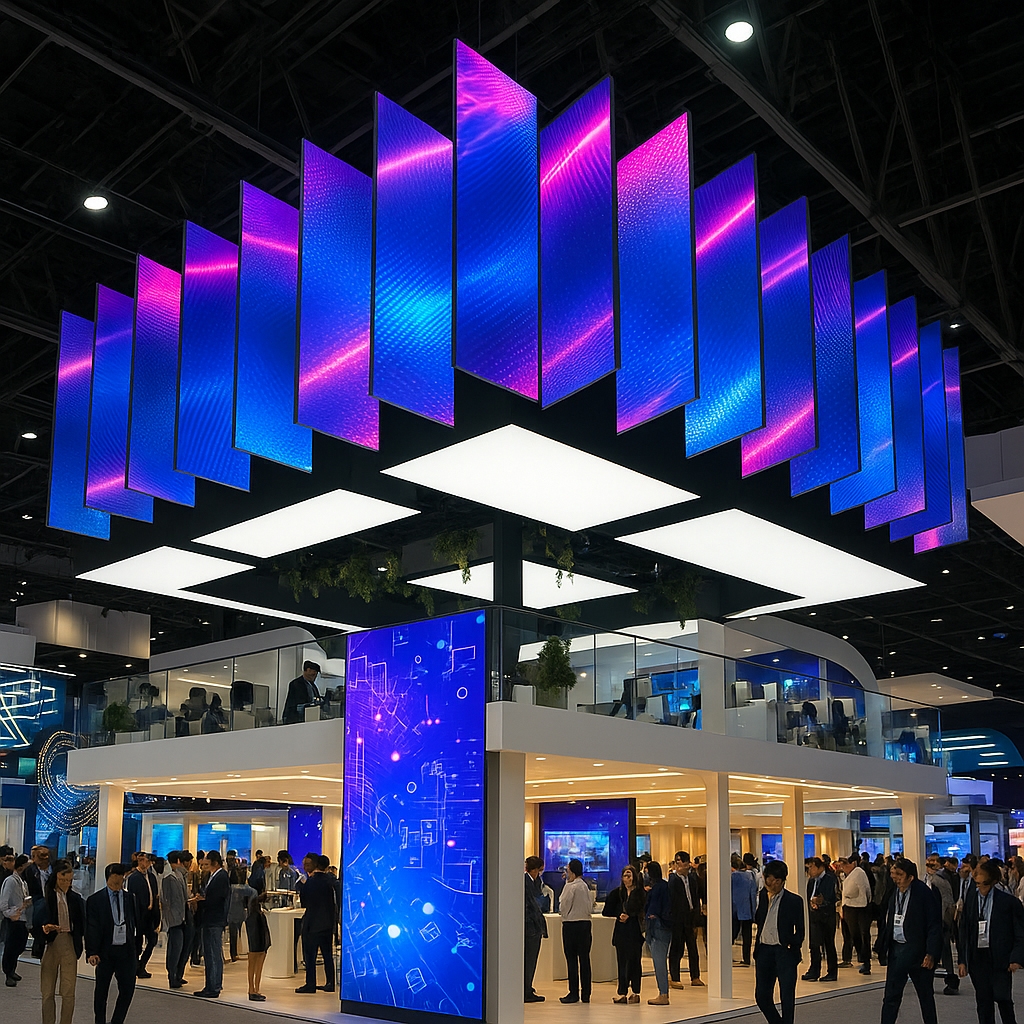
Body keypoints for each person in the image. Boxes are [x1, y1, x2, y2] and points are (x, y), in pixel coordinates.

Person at [957, 858, 1024, 1024]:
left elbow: (1020, 932)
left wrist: (1016, 958)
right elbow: (964, 930)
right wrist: (962, 960)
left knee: (1003, 999)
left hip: (1000, 958)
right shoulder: (972, 898)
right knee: (983, 1002)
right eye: (977, 884)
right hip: (977, 957)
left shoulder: (1008, 902)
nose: (980, 888)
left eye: (984, 884)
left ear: (994, 882)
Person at [878, 856, 942, 1024]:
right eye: (894, 874)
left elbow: (934, 925)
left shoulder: (923, 893)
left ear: (910, 877)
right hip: (897, 950)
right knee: (891, 996)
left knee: (925, 996)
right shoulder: (894, 891)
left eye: (899, 874)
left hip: (918, 952)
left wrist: (931, 953)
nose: (895, 878)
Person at [86, 863, 139, 1024]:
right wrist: (92, 951)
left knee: (127, 989)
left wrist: (137, 947)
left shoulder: (130, 898)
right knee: (101, 991)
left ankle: (117, 1020)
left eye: (122, 876)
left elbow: (135, 922)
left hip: (126, 951)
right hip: (105, 951)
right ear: (108, 877)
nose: (119, 880)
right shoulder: (95, 900)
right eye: (116, 876)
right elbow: (91, 927)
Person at [753, 860, 804, 1024]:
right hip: (764, 951)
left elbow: (800, 930)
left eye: (777, 881)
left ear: (783, 881)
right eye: (769, 879)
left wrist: (792, 946)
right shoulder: (762, 895)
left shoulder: (794, 900)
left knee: (787, 997)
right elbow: (759, 919)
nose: (772, 884)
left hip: (784, 952)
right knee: (762, 996)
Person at [38, 858, 85, 1024]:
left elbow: (81, 923)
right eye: (62, 879)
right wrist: (45, 928)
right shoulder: (47, 897)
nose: (66, 883)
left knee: (68, 990)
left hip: (69, 942)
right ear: (55, 877)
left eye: (69, 880)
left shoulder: (75, 898)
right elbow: (37, 921)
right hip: (50, 944)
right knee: (47, 991)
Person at [603, 864, 646, 1003]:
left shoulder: (640, 893)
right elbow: (606, 910)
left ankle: (635, 991)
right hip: (621, 931)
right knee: (622, 962)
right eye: (625, 876)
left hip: (634, 931)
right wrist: (618, 914)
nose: (627, 878)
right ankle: (622, 992)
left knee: (635, 962)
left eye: (629, 875)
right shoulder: (617, 893)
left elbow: (643, 909)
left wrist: (631, 915)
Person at [295, 854, 337, 994]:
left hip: (312, 923)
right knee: (327, 955)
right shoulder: (330, 881)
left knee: (310, 956)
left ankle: (310, 983)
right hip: (327, 924)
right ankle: (330, 982)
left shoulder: (310, 882)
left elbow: (305, 902)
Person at [195, 849, 229, 998]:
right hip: (210, 919)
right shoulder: (213, 876)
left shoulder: (221, 876)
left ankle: (214, 986)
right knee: (209, 953)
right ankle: (211, 984)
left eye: (207, 863)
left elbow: (217, 899)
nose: (205, 866)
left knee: (213, 953)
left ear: (214, 862)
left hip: (214, 920)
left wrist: (203, 901)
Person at [559, 858, 593, 1004]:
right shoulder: (585, 886)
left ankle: (573, 992)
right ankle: (586, 993)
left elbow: (564, 906)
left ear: (571, 872)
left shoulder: (570, 887)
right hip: (585, 924)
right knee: (585, 959)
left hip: (571, 925)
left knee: (572, 960)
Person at [668, 850, 704, 988]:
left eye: (681, 861)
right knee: (677, 948)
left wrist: (696, 914)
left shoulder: (693, 879)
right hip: (677, 919)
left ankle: (695, 976)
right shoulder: (673, 880)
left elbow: (696, 896)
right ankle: (675, 977)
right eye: (677, 861)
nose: (679, 864)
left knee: (692, 948)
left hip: (690, 917)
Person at [162, 850, 196, 989]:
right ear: (179, 861)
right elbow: (166, 901)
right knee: (175, 949)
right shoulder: (169, 877)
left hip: (184, 916)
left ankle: (178, 975)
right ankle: (172, 976)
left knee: (185, 947)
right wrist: (169, 919)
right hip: (176, 919)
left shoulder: (181, 876)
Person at [924, 854, 958, 995]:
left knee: (944, 950)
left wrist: (943, 921)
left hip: (941, 920)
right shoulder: (930, 879)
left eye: (933, 862)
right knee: (936, 950)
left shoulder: (939, 880)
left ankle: (951, 981)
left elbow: (947, 902)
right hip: (935, 920)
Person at [803, 857, 838, 982]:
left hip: (827, 916)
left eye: (811, 867)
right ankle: (814, 970)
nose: (809, 870)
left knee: (829, 944)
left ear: (820, 867)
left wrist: (820, 903)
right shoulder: (812, 881)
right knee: (814, 944)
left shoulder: (829, 879)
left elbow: (830, 898)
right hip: (815, 916)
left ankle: (832, 972)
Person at [126, 852, 159, 979]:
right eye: (141, 860)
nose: (144, 863)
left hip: (150, 914)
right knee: (137, 943)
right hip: (139, 915)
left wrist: (157, 914)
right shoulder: (134, 878)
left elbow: (155, 895)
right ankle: (135, 967)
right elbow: (132, 897)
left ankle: (142, 964)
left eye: (146, 861)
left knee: (152, 940)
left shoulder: (152, 877)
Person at [644, 860, 672, 1005]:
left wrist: (652, 916)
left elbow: (653, 908)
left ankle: (663, 993)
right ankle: (663, 992)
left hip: (657, 927)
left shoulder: (657, 888)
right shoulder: (663, 886)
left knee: (659, 961)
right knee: (660, 960)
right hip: (663, 926)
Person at [839, 854, 873, 974]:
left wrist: (865, 903)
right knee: (854, 935)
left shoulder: (859, 873)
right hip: (849, 908)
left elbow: (865, 890)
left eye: (845, 865)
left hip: (860, 908)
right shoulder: (847, 876)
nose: (843, 868)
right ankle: (861, 958)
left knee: (863, 935)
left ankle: (866, 960)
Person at [1, 853, 31, 985]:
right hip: (14, 918)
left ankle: (12, 969)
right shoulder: (10, 881)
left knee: (19, 945)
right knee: (11, 947)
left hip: (22, 917)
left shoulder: (22, 882)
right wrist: (10, 914)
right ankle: (8, 972)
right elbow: (3, 901)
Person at [524, 856, 547, 1003]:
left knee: (529, 959)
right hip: (531, 928)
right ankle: (526, 990)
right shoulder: (527, 883)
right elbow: (533, 904)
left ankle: (527, 987)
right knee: (530, 959)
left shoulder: (529, 882)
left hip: (531, 926)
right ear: (534, 870)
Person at [25, 845, 53, 958]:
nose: (33, 859)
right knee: (39, 916)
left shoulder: (55, 869)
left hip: (52, 900)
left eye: (34, 856)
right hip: (37, 900)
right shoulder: (30, 870)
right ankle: (38, 945)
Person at [245, 890, 272, 1001]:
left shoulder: (255, 914)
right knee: (256, 966)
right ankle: (253, 989)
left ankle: (254, 989)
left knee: (254, 966)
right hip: (258, 943)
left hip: (258, 943)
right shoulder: (257, 915)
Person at [732, 853, 758, 967]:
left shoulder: (732, 877)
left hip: (734, 909)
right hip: (747, 909)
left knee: (733, 932)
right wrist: (753, 911)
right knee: (747, 936)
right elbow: (753, 894)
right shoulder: (751, 876)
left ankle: (726, 955)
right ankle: (746, 958)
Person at [228, 870, 256, 963]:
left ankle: (233, 953)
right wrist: (250, 905)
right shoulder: (245, 889)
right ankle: (241, 951)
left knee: (233, 934)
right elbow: (254, 893)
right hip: (241, 912)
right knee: (242, 932)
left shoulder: (230, 888)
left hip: (230, 912)